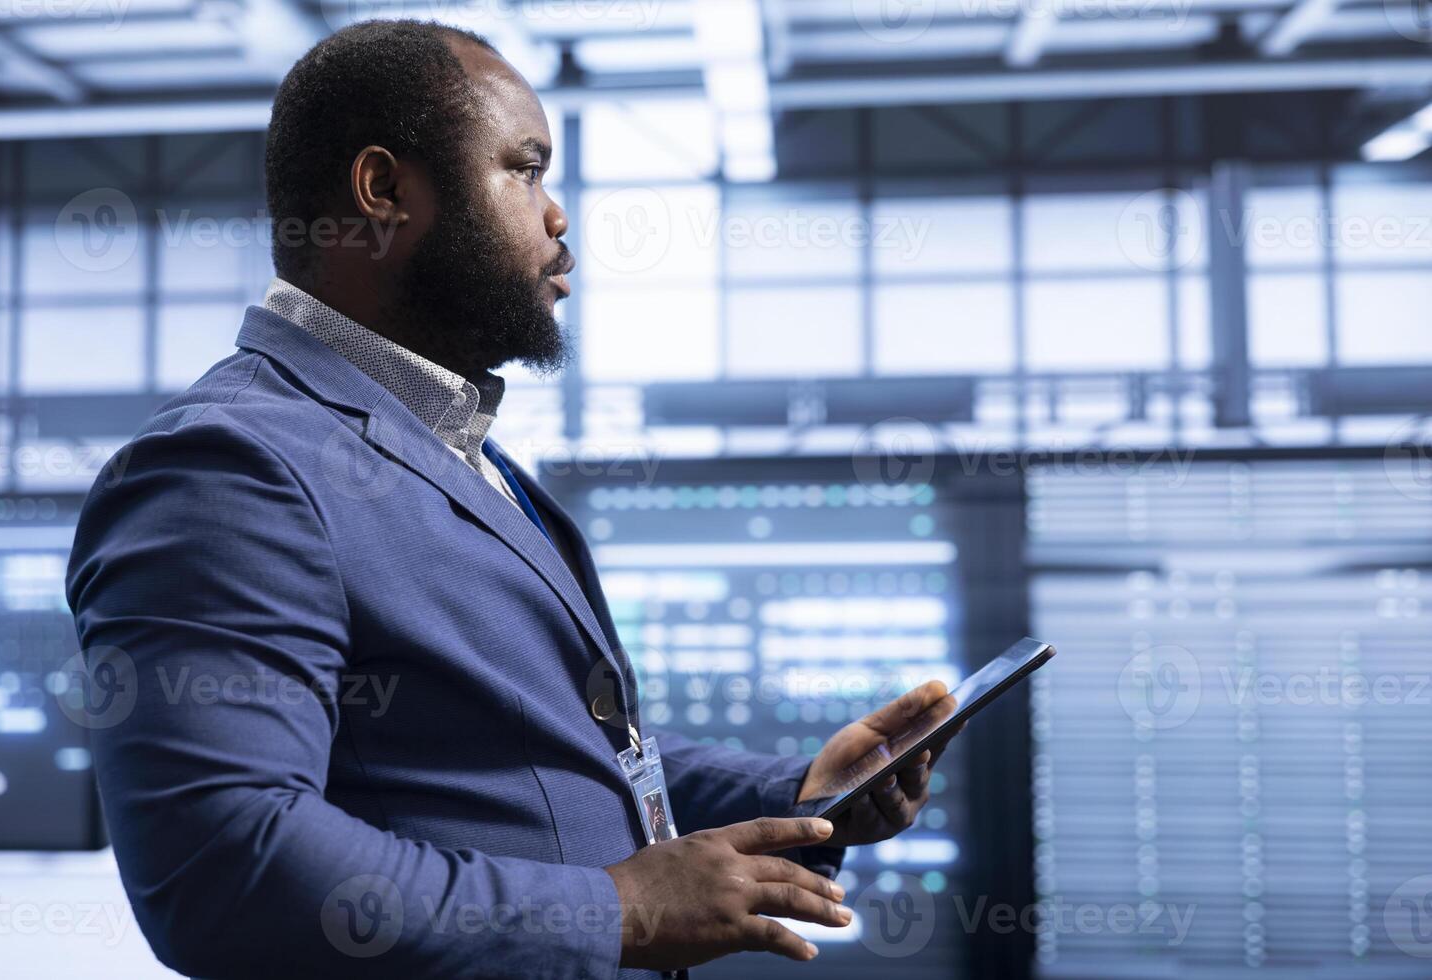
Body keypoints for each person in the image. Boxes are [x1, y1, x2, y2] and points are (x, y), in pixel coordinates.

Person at [66, 20, 956, 978]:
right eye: (525, 169)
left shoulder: (463, 454)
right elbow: (225, 870)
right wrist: (614, 910)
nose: (560, 216)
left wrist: (801, 794)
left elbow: (556, 760)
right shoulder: (227, 468)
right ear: (384, 192)